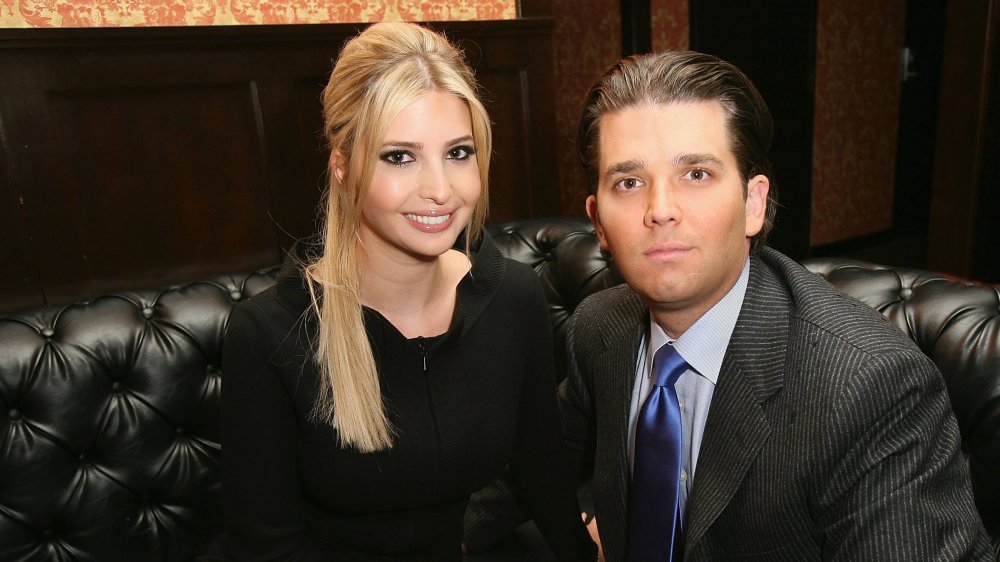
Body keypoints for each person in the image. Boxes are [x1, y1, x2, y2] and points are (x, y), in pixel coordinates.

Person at [562, 49, 994, 561]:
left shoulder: (869, 387)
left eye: (696, 174)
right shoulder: (598, 327)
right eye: (628, 183)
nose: (660, 210)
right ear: (598, 221)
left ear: (753, 203)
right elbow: (537, 463)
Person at [214, 21, 595, 561]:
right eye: (400, 156)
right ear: (343, 169)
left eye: (459, 153)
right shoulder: (271, 333)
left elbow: (543, 469)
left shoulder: (513, 298)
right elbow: (267, 545)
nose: (439, 190)